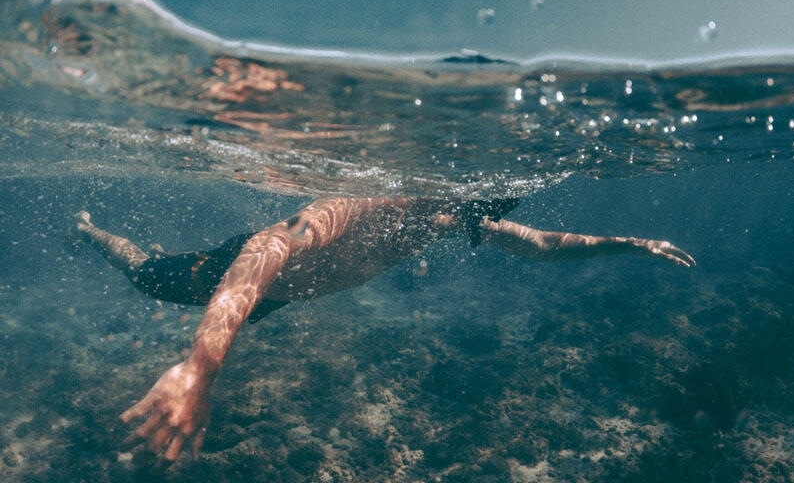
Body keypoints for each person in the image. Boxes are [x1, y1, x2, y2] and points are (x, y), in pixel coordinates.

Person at [74, 196, 695, 465]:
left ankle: (112, 241)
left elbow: (538, 245)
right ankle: (95, 233)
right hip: (235, 278)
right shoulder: (356, 209)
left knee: (161, 275)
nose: (453, 215)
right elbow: (268, 246)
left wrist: (632, 243)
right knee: (145, 273)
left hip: (273, 301)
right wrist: (200, 367)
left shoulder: (444, 216)